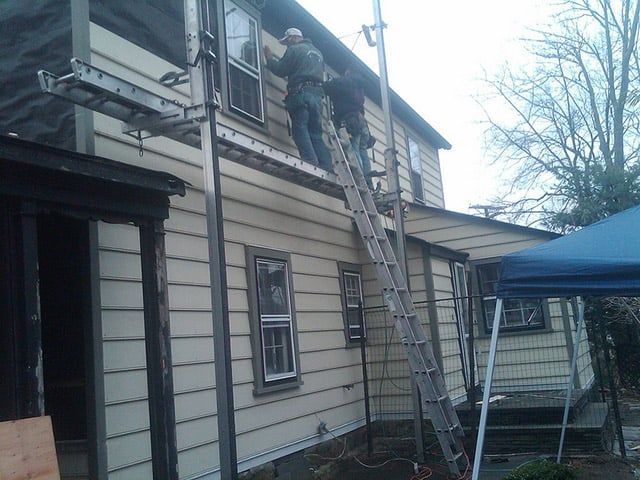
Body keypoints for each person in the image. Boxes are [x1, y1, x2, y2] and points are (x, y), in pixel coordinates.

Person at [264, 28, 332, 170]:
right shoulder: (318, 53)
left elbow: (281, 69)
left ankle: (310, 162)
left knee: (300, 128)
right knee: (315, 133)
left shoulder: (295, 49)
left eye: (287, 42)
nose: (287, 46)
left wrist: (269, 58)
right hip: (317, 98)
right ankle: (326, 165)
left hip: (301, 95)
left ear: (293, 38)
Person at [323, 67, 375, 188]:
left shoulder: (348, 81)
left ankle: (360, 180)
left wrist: (322, 83)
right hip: (361, 122)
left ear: (348, 73)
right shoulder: (359, 87)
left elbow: (330, 86)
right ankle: (367, 181)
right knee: (362, 152)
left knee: (353, 149)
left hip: (350, 121)